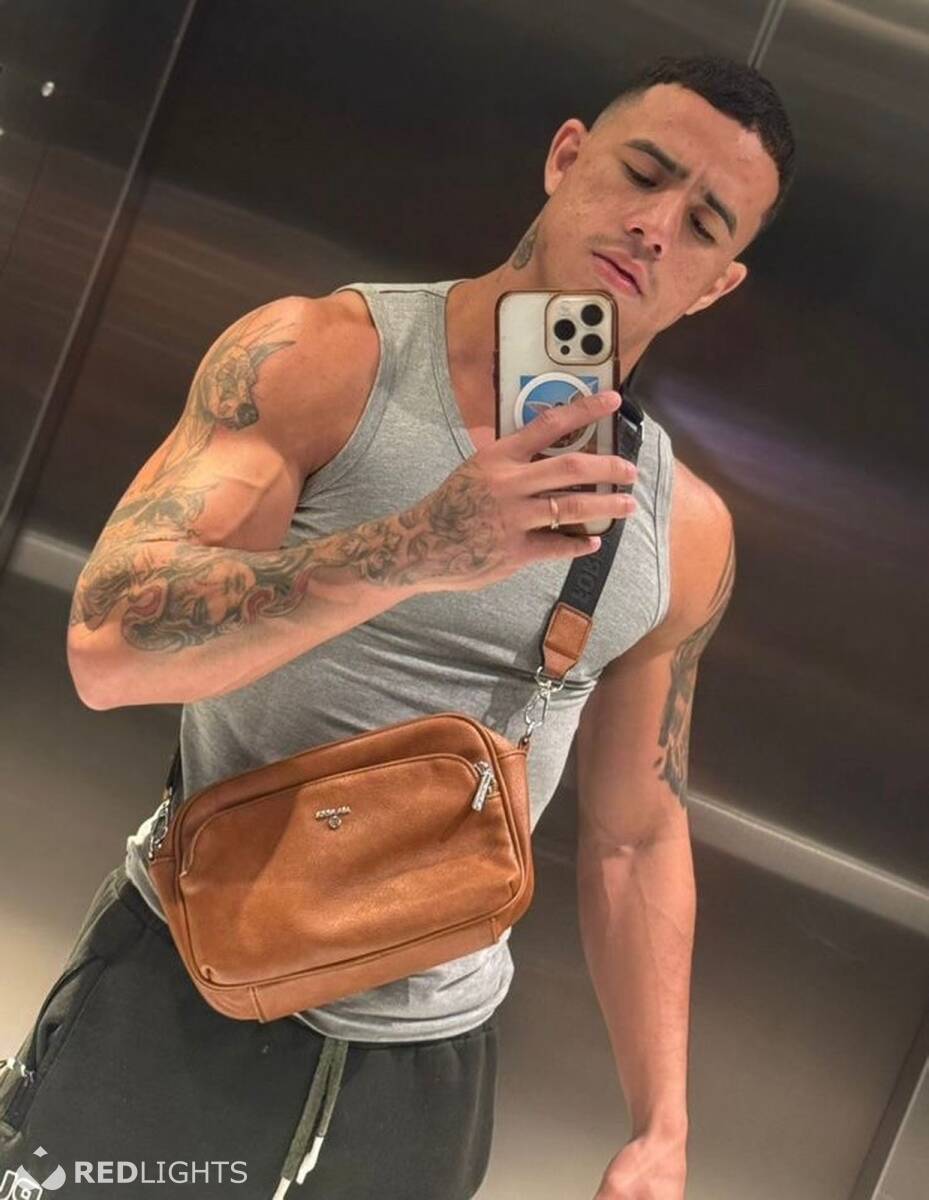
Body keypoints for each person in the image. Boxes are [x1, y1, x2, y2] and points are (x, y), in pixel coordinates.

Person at [0, 52, 794, 1200]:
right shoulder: (323, 359)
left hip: (426, 1077)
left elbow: (634, 835)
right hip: (180, 984)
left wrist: (661, 1125)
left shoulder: (684, 531)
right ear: (566, 156)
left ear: (716, 283)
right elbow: (105, 651)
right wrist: (416, 548)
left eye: (704, 222)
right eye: (642, 172)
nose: (655, 225)